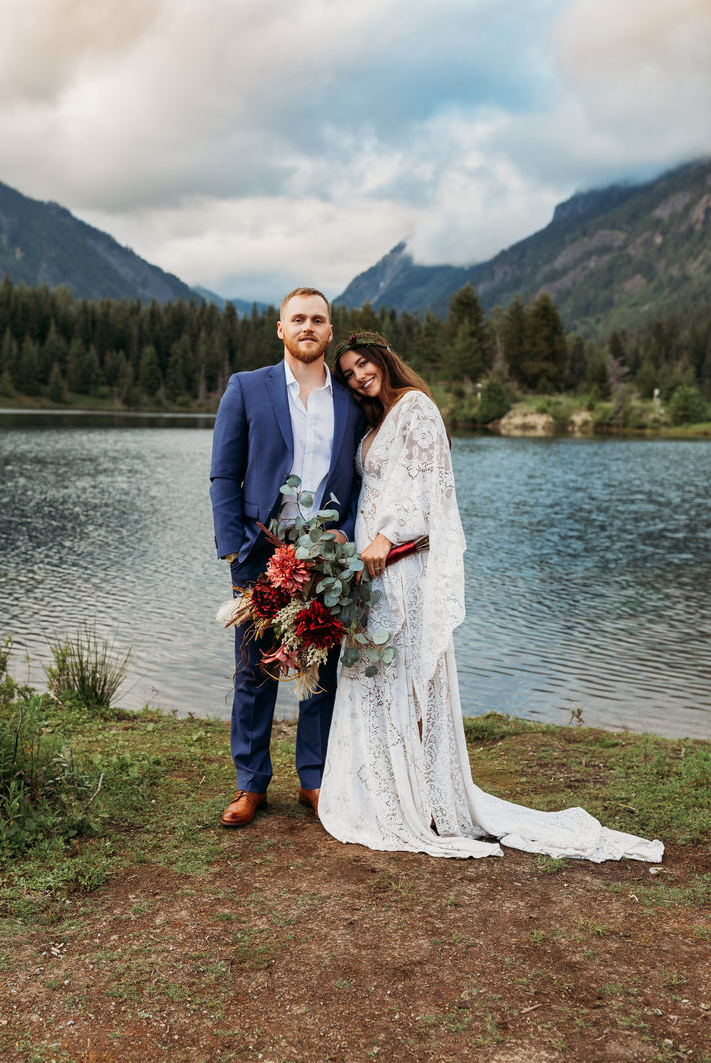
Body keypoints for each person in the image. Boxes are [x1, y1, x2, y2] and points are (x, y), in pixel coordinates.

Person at [317, 331, 664, 863]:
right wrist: (351, 538)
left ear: (383, 359)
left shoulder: (416, 406)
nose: (358, 376)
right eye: (348, 373)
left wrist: (389, 535)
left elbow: (426, 484)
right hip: (368, 569)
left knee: (409, 672)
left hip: (401, 564)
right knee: (374, 672)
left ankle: (425, 799)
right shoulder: (375, 421)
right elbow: (376, 488)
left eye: (363, 364)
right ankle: (382, 788)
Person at [210, 288, 364, 828]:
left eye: (317, 320)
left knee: (317, 670)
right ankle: (250, 786)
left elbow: (356, 480)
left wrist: (344, 537)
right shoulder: (248, 388)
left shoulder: (350, 401)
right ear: (281, 329)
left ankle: (313, 780)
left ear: (328, 330)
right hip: (259, 554)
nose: (307, 327)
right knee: (254, 672)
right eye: (297, 318)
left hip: (324, 560)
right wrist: (233, 548)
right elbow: (224, 474)